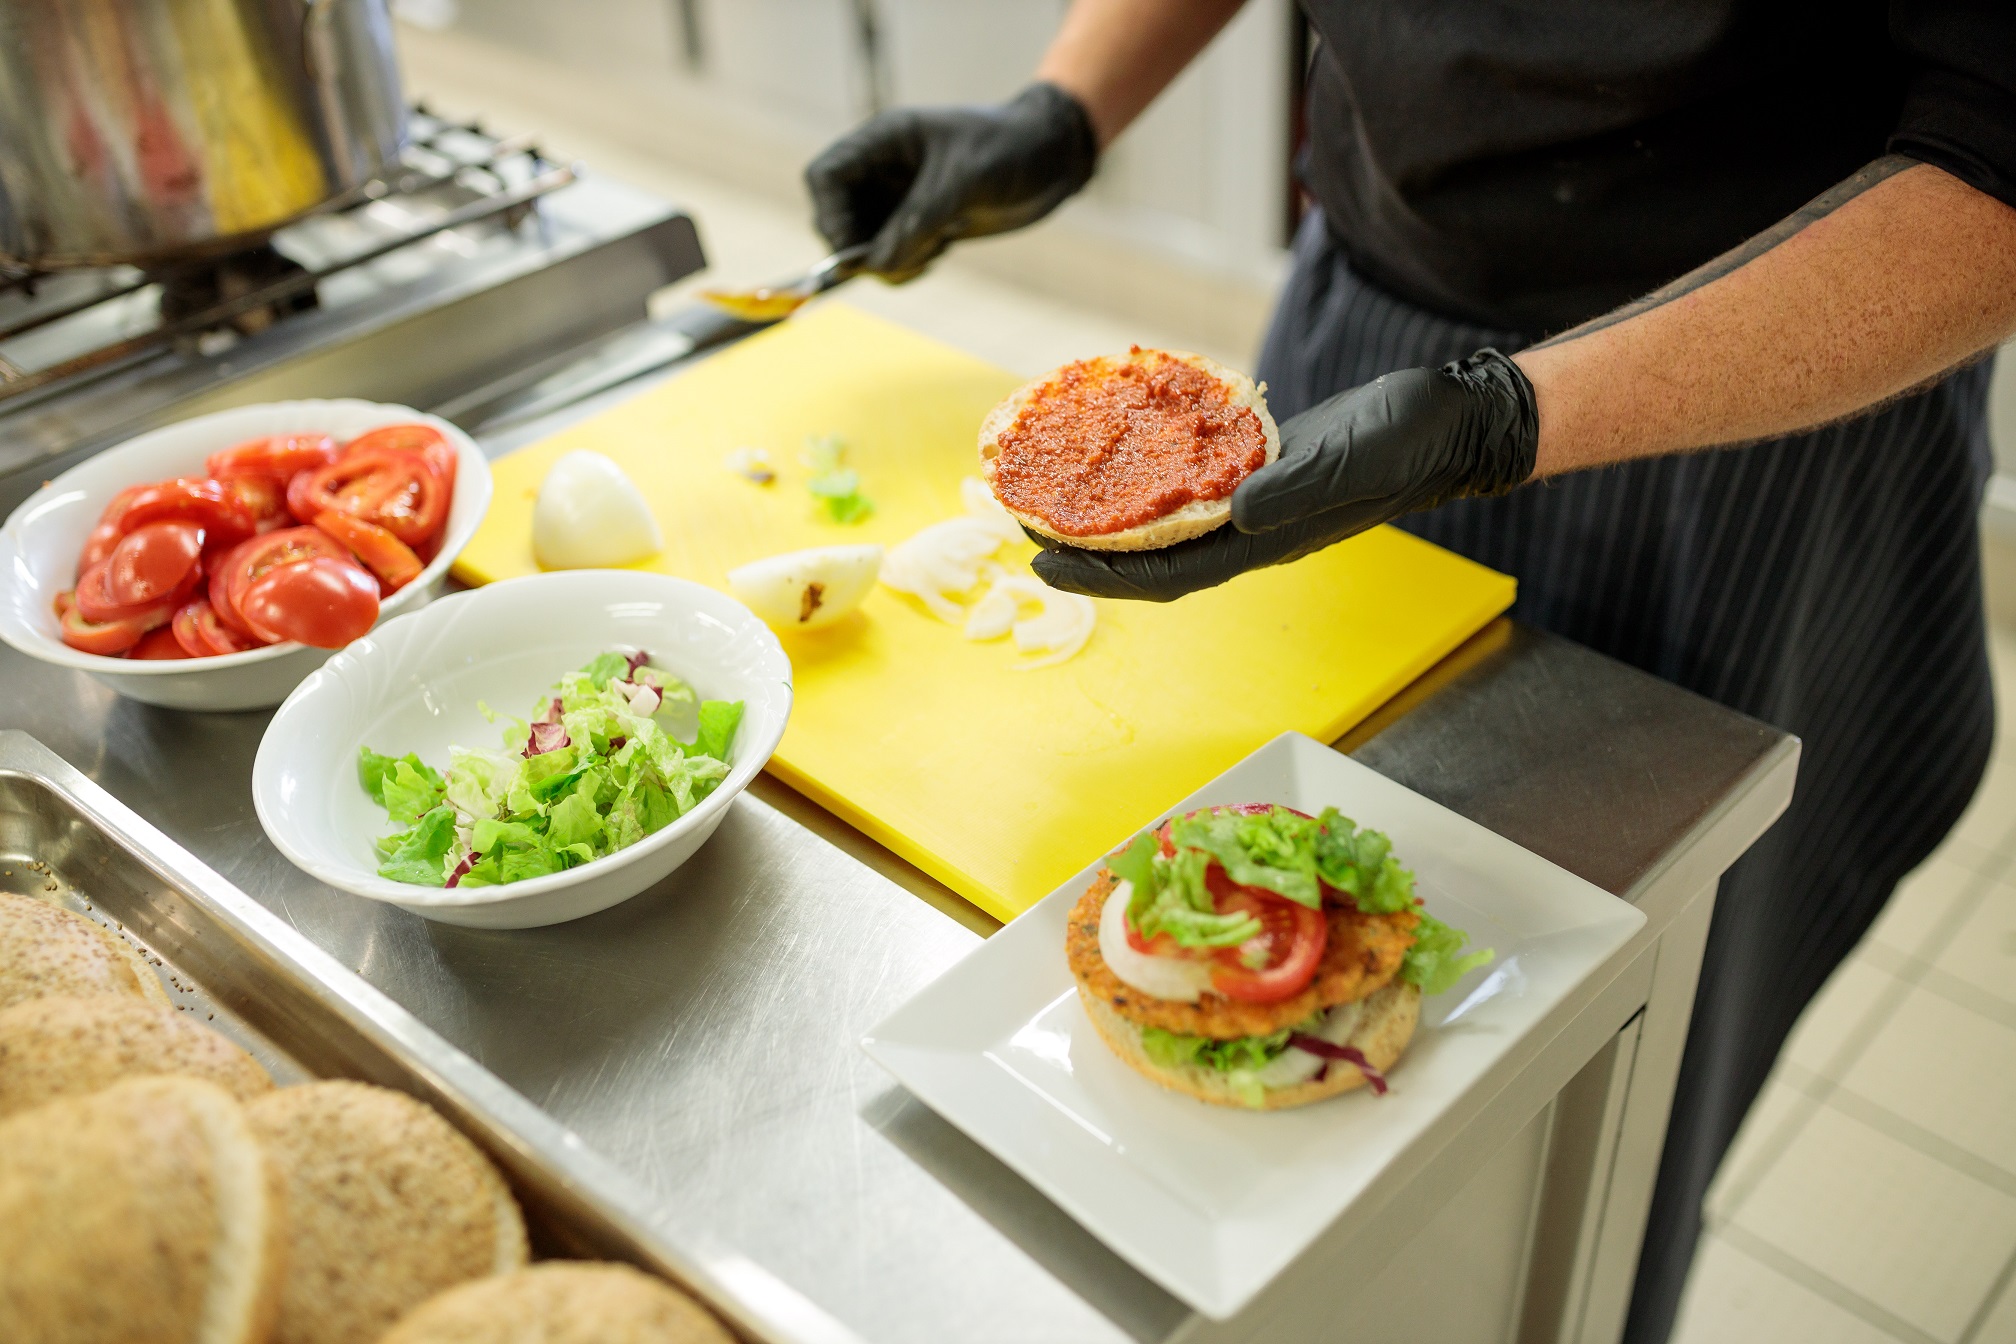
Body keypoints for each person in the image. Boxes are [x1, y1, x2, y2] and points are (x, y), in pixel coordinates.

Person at [803, 2, 2016, 1340]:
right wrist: (1069, 102)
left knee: (1610, 1059)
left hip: (1746, 421)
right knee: (1274, 950)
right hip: (1370, 340)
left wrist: (1513, 414)